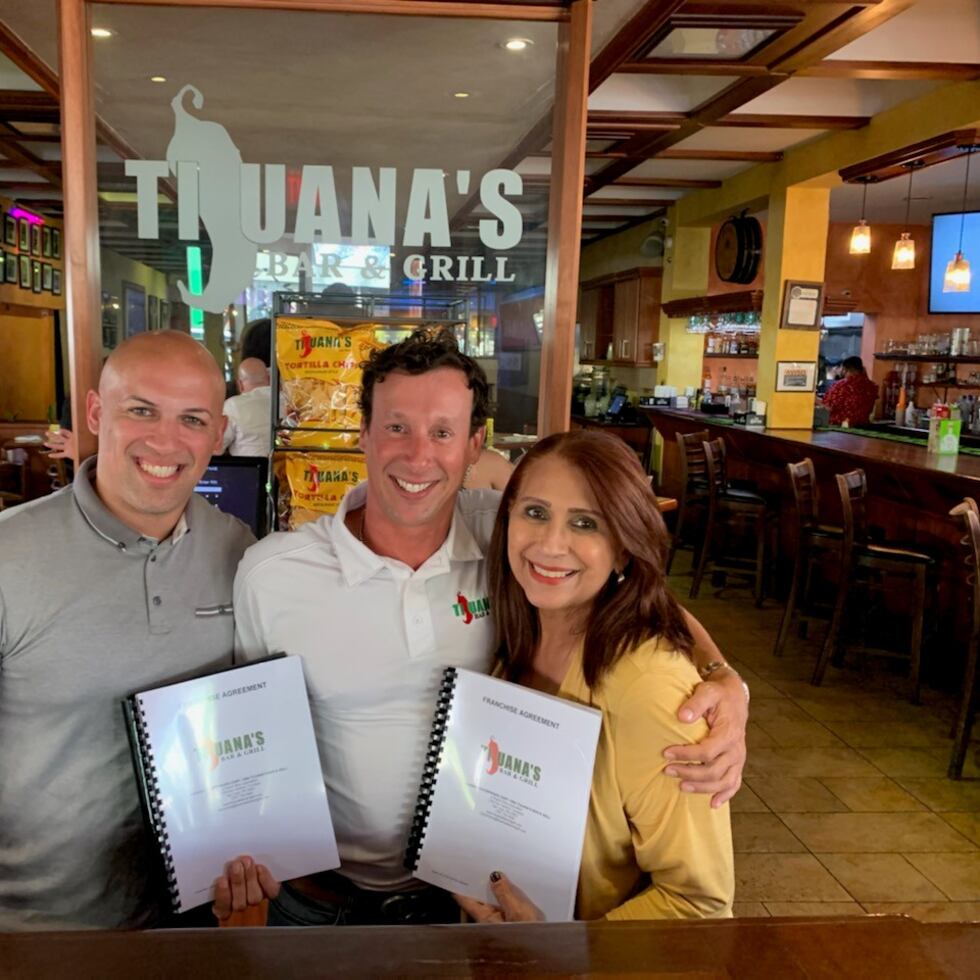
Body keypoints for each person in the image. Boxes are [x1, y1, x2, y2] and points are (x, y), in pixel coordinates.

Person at [220, 330, 748, 926]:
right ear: (362, 433)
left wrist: (724, 677)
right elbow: (253, 739)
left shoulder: (510, 536)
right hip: (322, 904)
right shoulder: (274, 574)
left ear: (474, 445)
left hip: (469, 904)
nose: (418, 455)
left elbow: (633, 590)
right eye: (397, 427)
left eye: (442, 432)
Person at [0, 331, 256, 931]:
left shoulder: (241, 552)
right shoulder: (9, 555)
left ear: (217, 435)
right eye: (141, 410)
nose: (165, 440)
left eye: (192, 419)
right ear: (95, 412)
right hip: (36, 933)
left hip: (193, 922)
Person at [455, 430, 733, 923]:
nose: (550, 544)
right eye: (535, 513)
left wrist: (565, 952)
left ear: (623, 549)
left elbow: (700, 906)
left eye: (585, 523)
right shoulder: (515, 632)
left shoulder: (653, 690)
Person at [222, 357, 272, 456]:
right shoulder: (289, 402)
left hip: (249, 470)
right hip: (288, 468)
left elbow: (216, 447)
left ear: (240, 384)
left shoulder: (233, 405)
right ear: (269, 379)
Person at [822, 355, 878, 426]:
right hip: (863, 426)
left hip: (840, 426)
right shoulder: (872, 386)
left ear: (845, 369)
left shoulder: (840, 386)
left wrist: (815, 400)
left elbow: (829, 407)